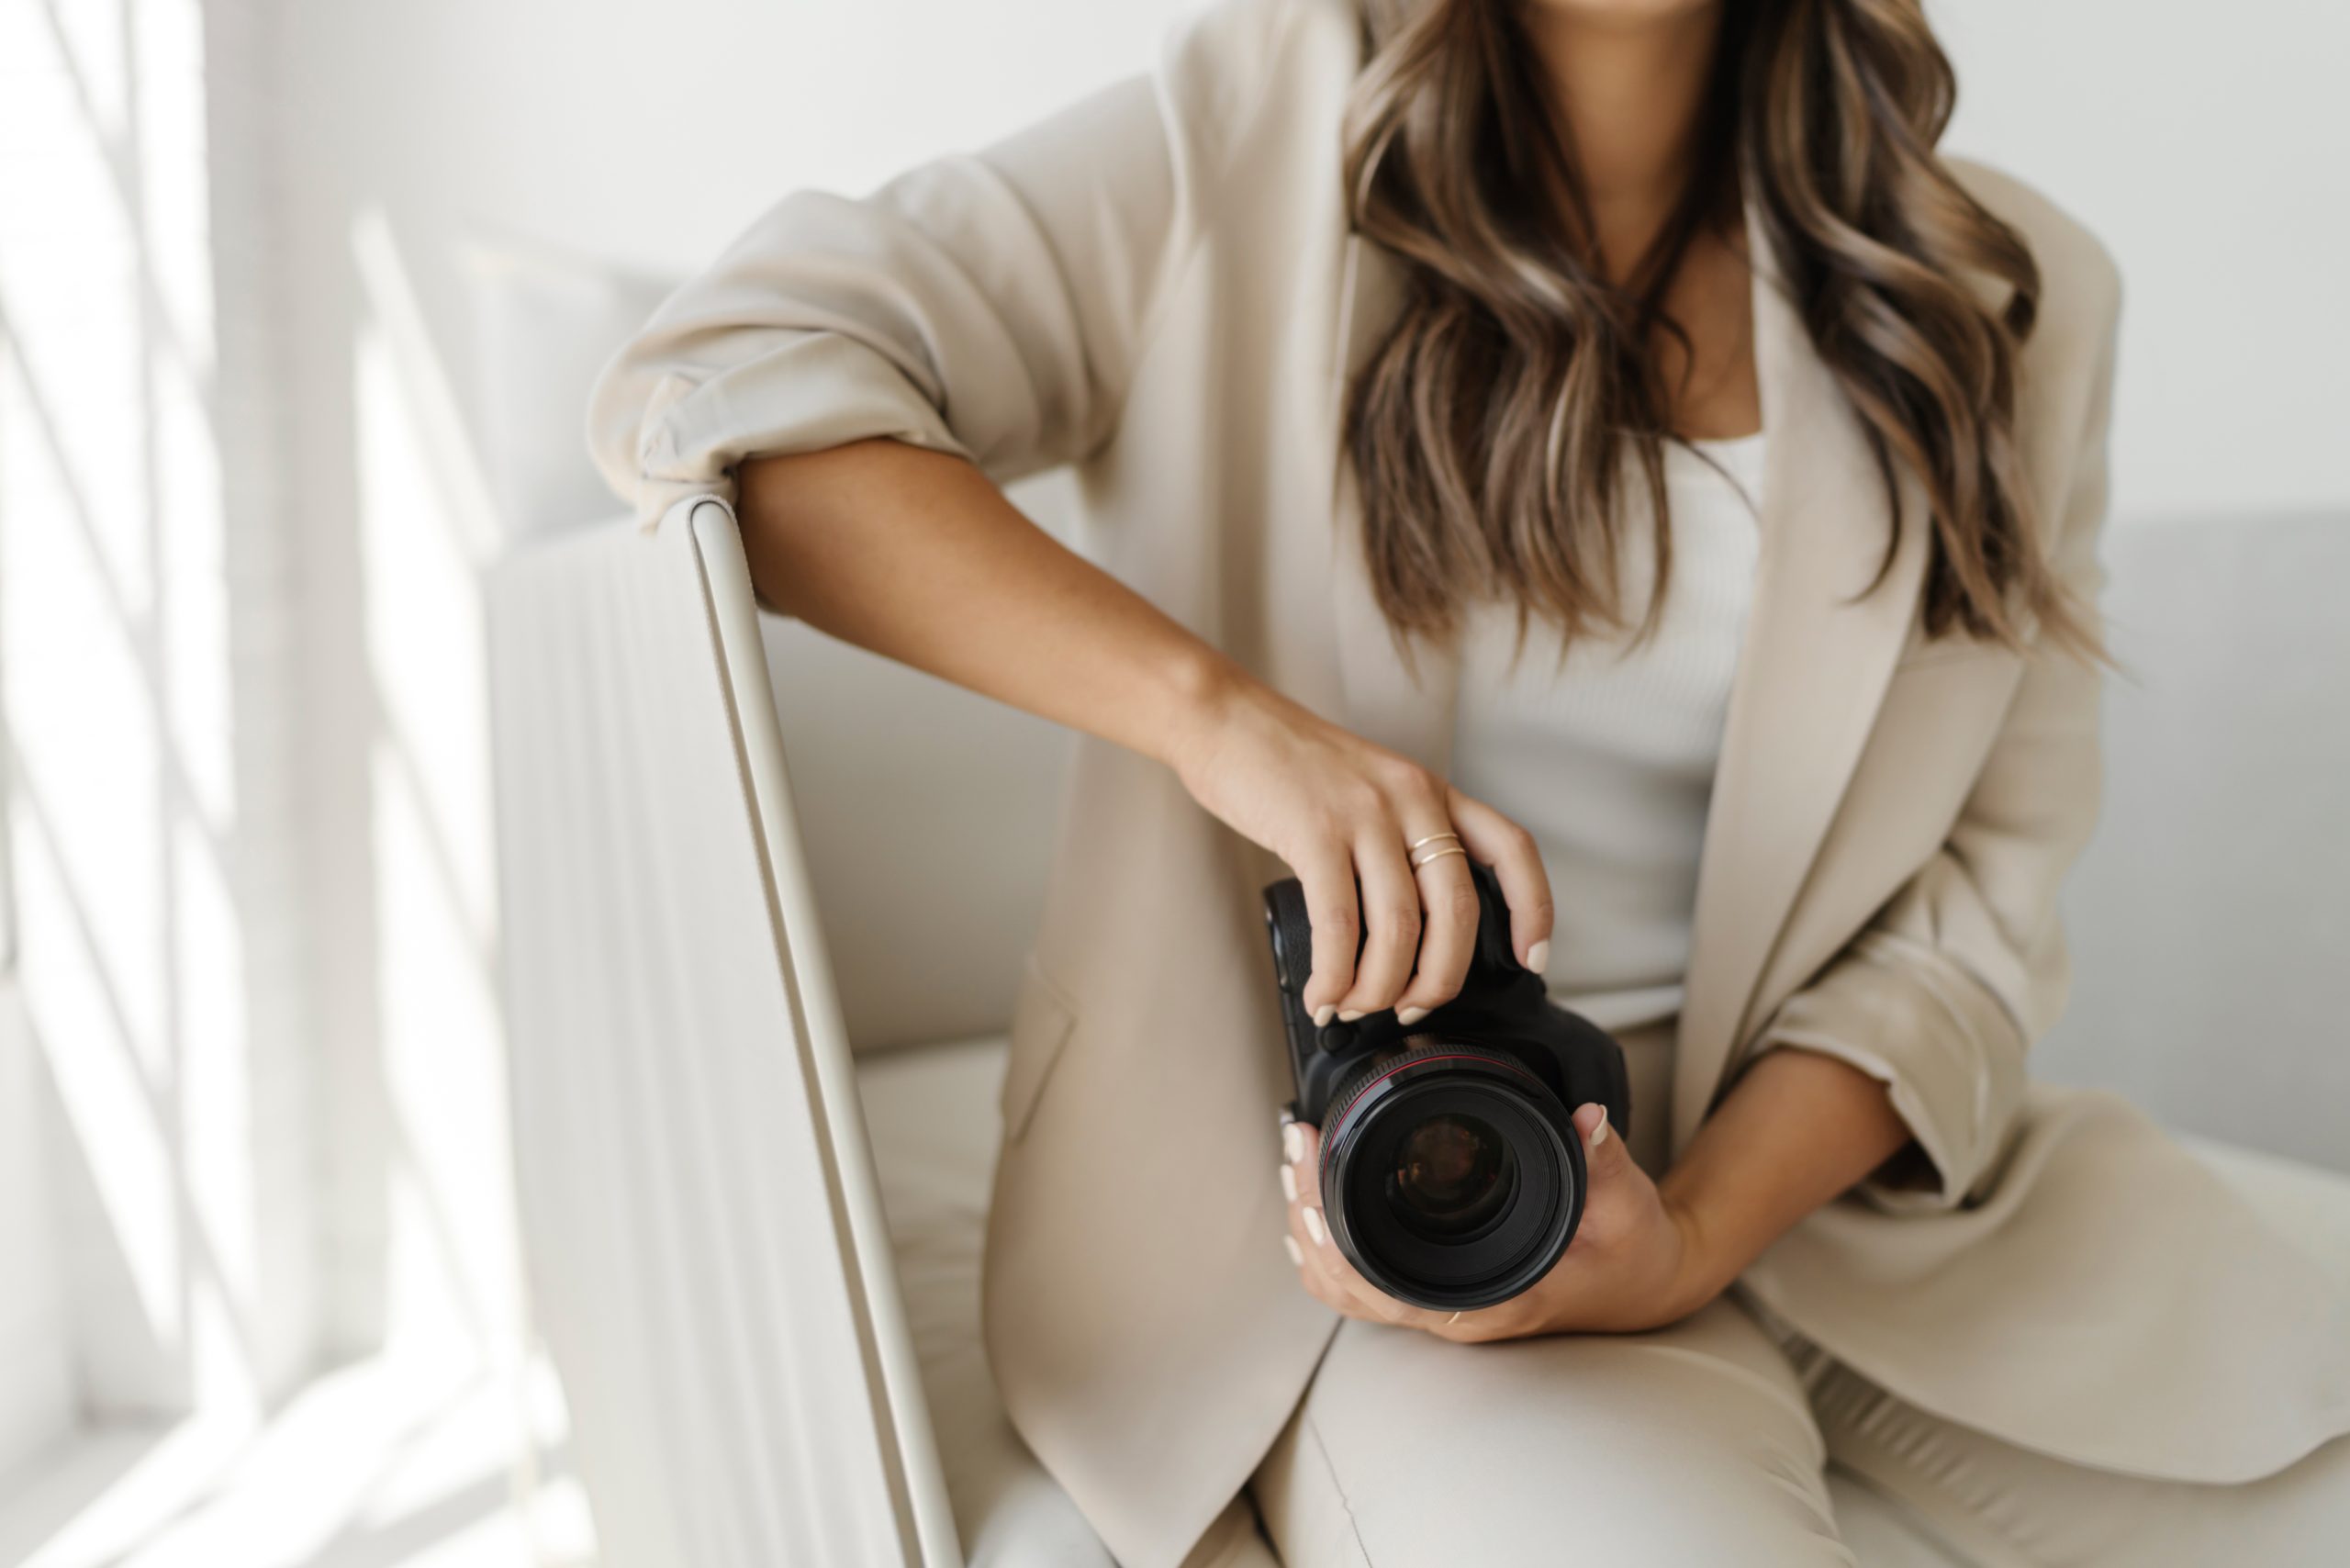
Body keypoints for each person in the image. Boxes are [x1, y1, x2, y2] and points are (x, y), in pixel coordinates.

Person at [589, 0, 2350, 1561]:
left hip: (1838, 1194)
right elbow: (719, 384)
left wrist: (1701, 1228)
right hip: (1363, 1217)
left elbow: (1977, 912)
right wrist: (1222, 721)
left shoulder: (2010, 296)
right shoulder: (1240, 139)